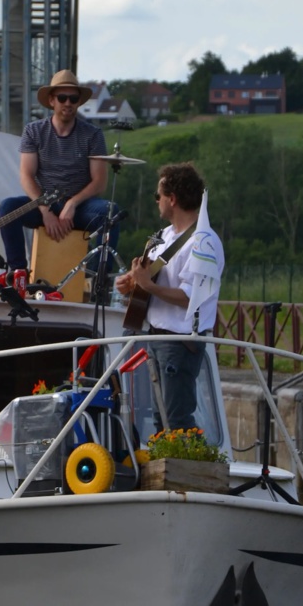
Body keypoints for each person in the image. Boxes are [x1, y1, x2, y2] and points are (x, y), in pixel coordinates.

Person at [115, 163, 224, 432]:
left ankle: (189, 470)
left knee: (177, 420)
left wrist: (148, 287)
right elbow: (149, 276)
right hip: (157, 336)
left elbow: (191, 298)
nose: (156, 202)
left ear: (172, 199)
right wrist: (130, 282)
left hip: (179, 342)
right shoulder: (163, 236)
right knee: (159, 420)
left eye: (158, 196)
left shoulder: (203, 242)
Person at [0, 69, 120, 276]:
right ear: (52, 100)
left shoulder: (93, 134)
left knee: (111, 213)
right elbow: (26, 176)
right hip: (44, 203)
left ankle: (96, 279)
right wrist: (45, 210)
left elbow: (99, 182)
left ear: (79, 102)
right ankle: (18, 272)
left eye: (73, 98)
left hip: (80, 206)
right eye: (62, 98)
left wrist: (72, 203)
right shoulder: (33, 131)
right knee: (8, 208)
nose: (68, 103)